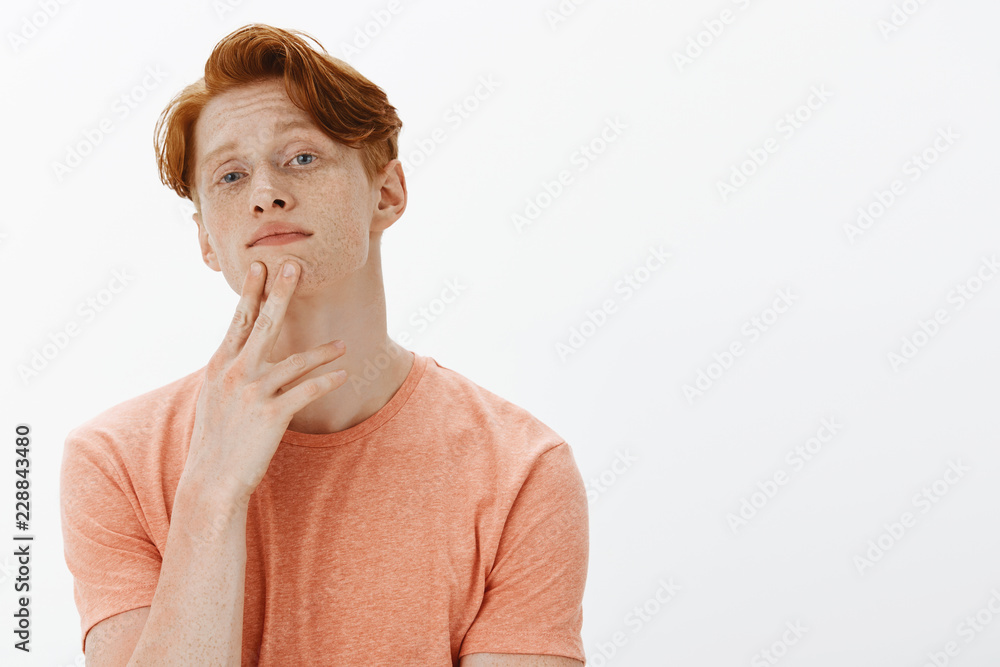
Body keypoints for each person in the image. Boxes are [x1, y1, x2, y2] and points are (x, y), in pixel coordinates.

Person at [59, 23, 589, 666]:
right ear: (205, 239)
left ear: (386, 193)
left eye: (302, 158)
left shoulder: (522, 470)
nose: (266, 195)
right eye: (230, 176)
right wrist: (212, 492)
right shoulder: (113, 462)